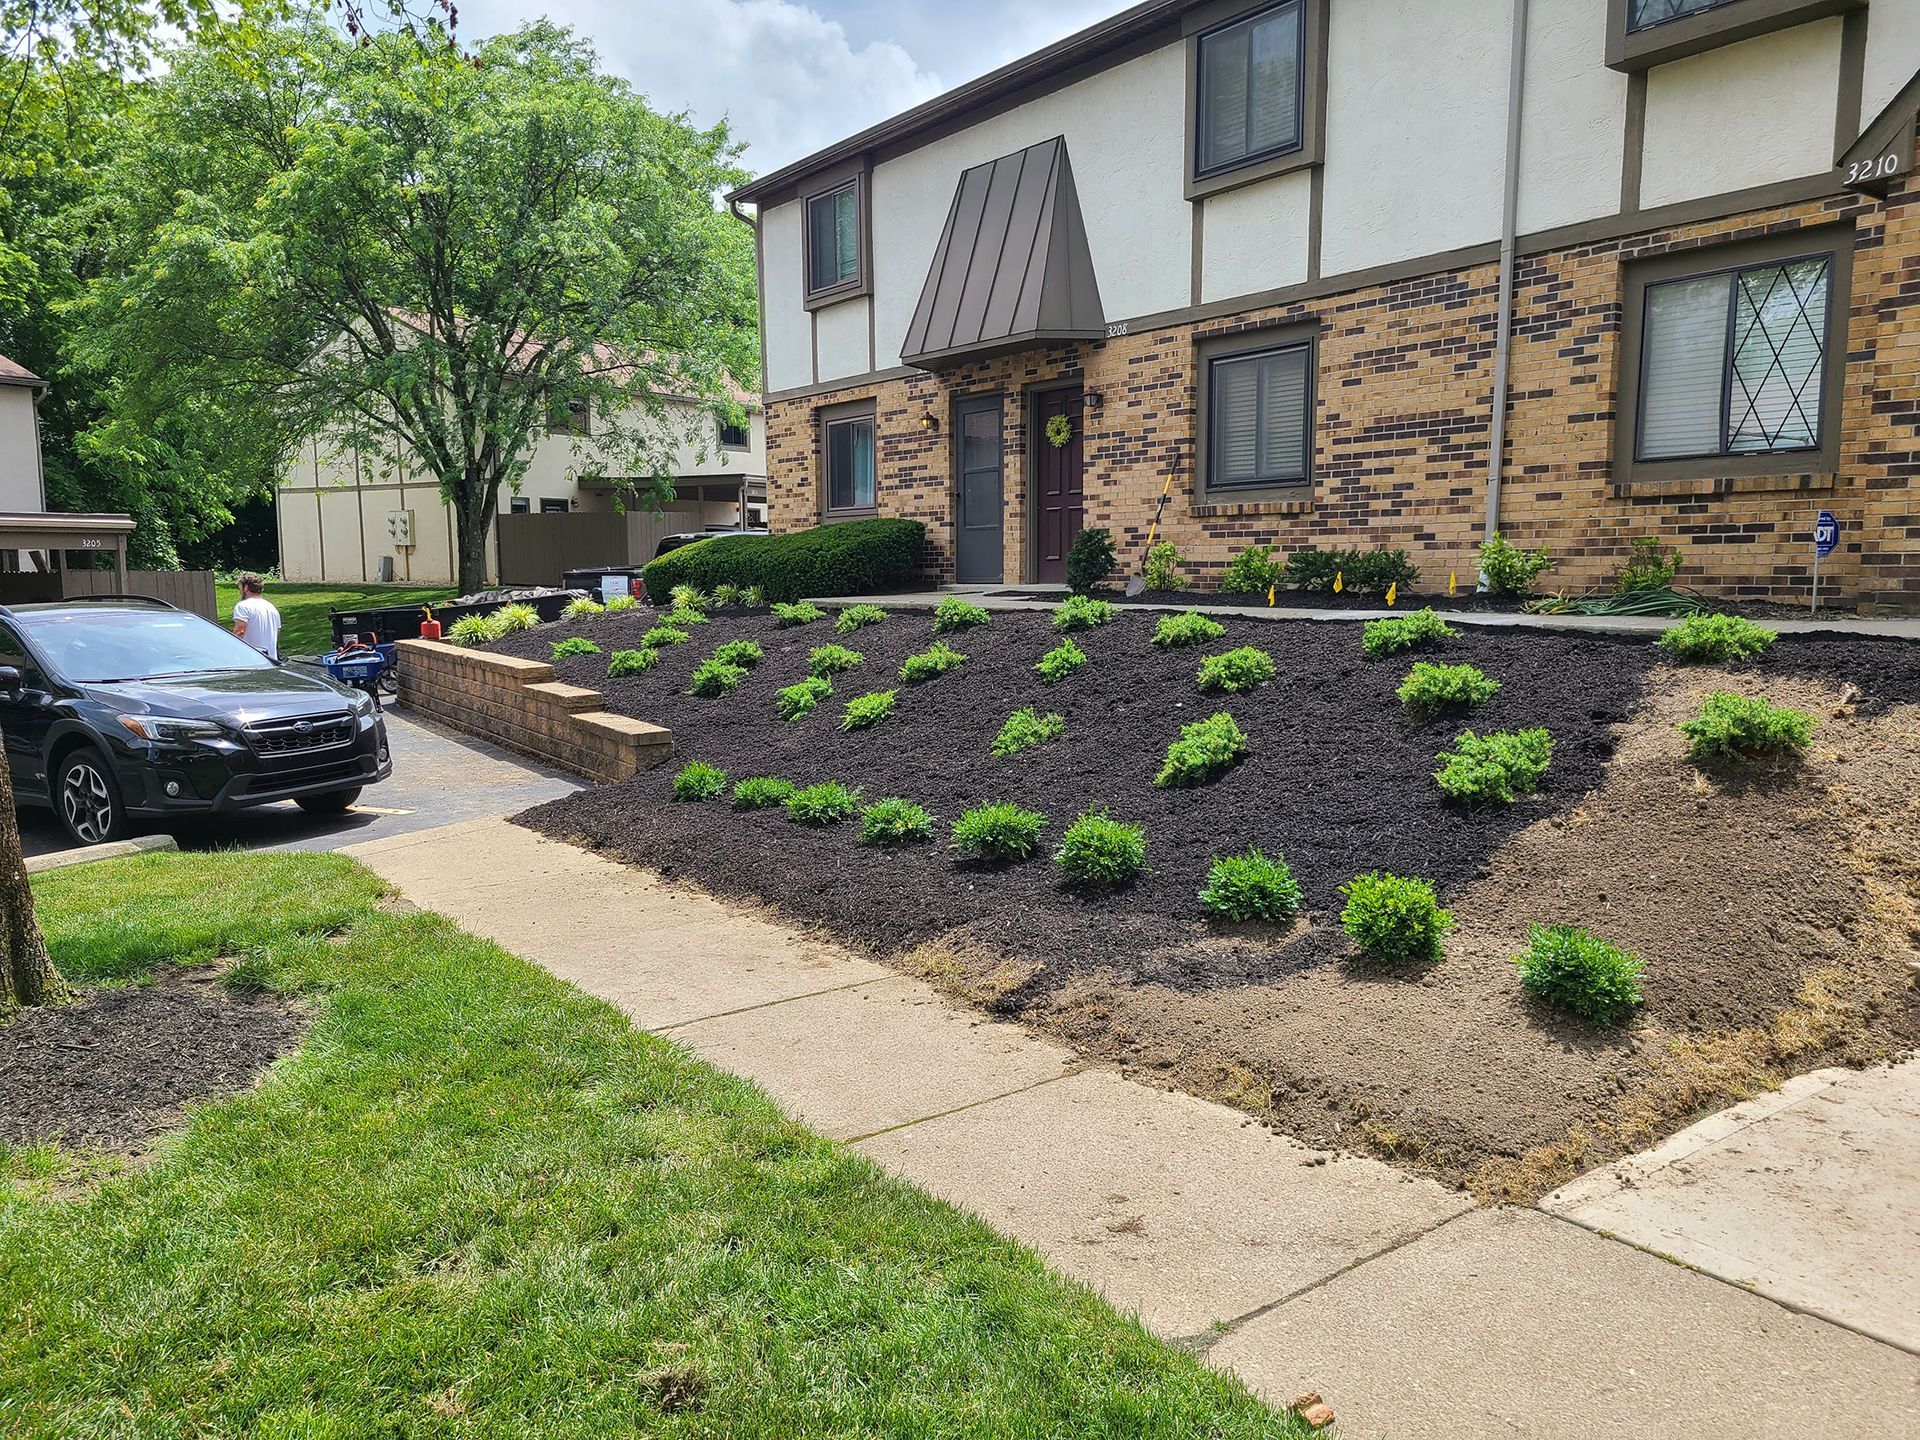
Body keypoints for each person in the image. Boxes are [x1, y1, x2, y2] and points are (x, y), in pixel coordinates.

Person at [231, 574, 282, 661]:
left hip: (251, 660)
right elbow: (277, 632)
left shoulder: (243, 606)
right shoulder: (271, 607)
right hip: (271, 660)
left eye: (240, 587)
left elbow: (239, 632)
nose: (240, 591)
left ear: (246, 588)